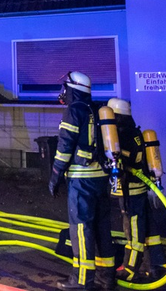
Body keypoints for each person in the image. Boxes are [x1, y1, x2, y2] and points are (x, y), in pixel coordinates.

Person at [49, 71, 116, 290]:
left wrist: (55, 176)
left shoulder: (74, 110)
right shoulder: (98, 109)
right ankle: (107, 278)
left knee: (81, 228)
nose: (63, 92)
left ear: (72, 89)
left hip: (81, 180)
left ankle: (82, 280)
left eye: (65, 88)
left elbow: (65, 146)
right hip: (101, 179)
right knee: (101, 227)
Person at [107, 98, 166, 282]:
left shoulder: (121, 135)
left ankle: (131, 267)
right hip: (140, 188)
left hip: (130, 190)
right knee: (148, 227)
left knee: (133, 230)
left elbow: (121, 159)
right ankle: (153, 265)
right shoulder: (136, 132)